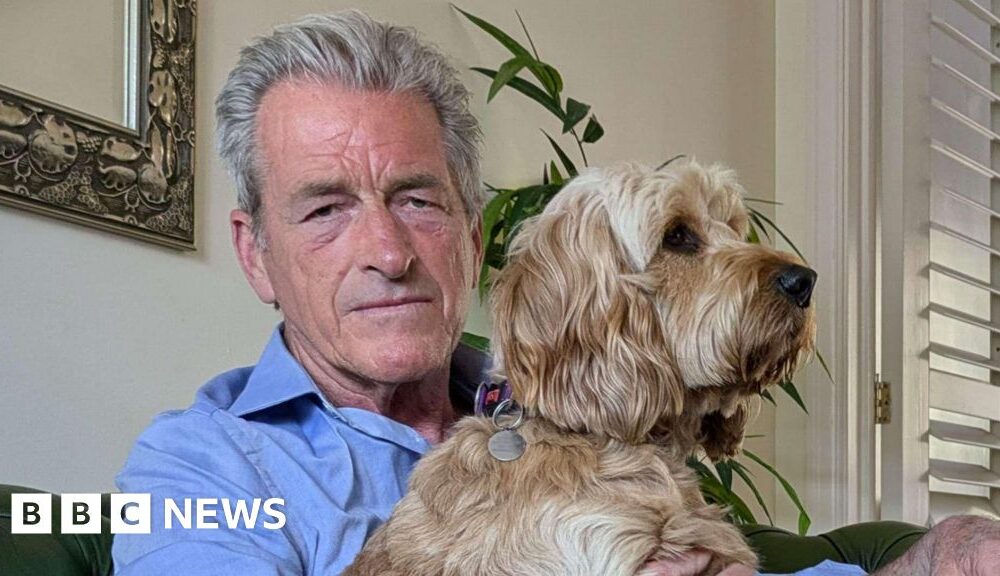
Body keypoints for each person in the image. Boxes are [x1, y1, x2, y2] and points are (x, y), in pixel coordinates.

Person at [112, 10, 999, 576]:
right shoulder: (202, 467)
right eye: (325, 209)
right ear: (256, 254)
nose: (386, 251)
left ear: (472, 236)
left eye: (417, 200)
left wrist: (930, 560)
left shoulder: (577, 430)